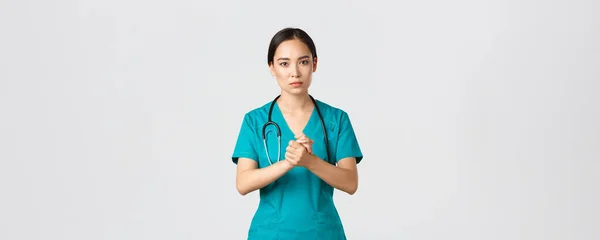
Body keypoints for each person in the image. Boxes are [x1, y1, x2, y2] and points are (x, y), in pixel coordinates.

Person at [231, 27, 364, 240]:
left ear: (315, 64)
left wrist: (309, 161)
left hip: (323, 233)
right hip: (270, 233)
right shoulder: (255, 121)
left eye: (303, 62)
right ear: (272, 68)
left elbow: (350, 183)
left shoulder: (336, 120)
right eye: (284, 63)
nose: (295, 72)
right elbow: (243, 183)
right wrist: (288, 162)